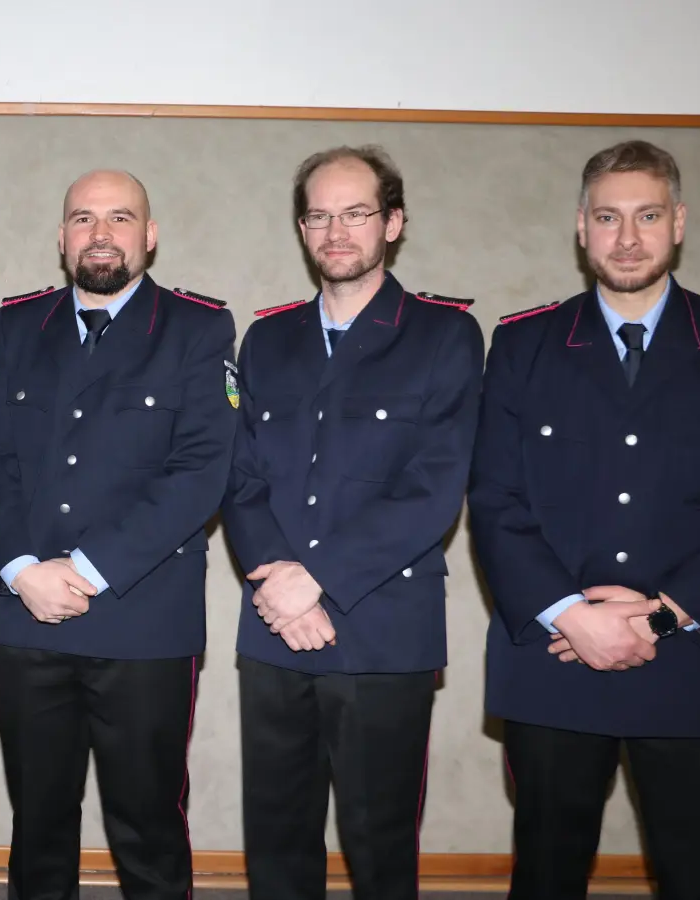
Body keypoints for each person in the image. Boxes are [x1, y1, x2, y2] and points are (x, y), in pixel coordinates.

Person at [470, 140, 700, 900]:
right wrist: (574, 615)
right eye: (608, 218)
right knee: (547, 877)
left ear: (679, 222)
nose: (627, 238)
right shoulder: (524, 344)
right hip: (555, 658)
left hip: (694, 662)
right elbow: (495, 499)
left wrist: (659, 617)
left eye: (647, 215)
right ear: (581, 228)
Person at [0, 169, 238, 900]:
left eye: (121, 218)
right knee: (40, 825)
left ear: (150, 236)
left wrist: (84, 568)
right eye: (83, 219)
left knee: (146, 827)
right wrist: (22, 567)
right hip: (28, 615)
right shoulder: (19, 326)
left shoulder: (197, 328)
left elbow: (201, 471)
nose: (101, 233)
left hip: (142, 623)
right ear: (61, 238)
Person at [222, 146, 483, 900]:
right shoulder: (267, 339)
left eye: (357, 213)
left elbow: (435, 489)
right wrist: (279, 583)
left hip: (381, 633)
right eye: (319, 215)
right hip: (273, 629)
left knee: (378, 844)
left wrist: (317, 581)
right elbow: (241, 480)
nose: (337, 231)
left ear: (393, 223)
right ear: (302, 229)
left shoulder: (444, 336)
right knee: (275, 841)